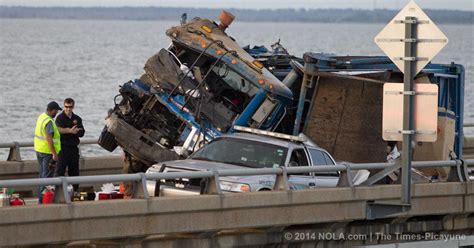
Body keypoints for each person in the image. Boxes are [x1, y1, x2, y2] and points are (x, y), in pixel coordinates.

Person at [34, 101, 62, 203]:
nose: (57, 113)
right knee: (47, 178)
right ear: (53, 110)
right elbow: (49, 139)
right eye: (56, 111)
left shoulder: (41, 117)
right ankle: (43, 201)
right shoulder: (49, 121)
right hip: (47, 152)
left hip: (39, 150)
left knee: (42, 176)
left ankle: (42, 199)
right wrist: (54, 154)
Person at [55, 98, 85, 192]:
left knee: (74, 171)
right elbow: (58, 131)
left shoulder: (77, 118)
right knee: (60, 171)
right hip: (63, 148)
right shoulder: (60, 118)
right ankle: (59, 191)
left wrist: (75, 132)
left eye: (70, 107)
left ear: (73, 107)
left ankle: (75, 191)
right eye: (66, 107)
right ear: (64, 107)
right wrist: (70, 131)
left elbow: (82, 132)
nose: (68, 109)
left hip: (73, 148)